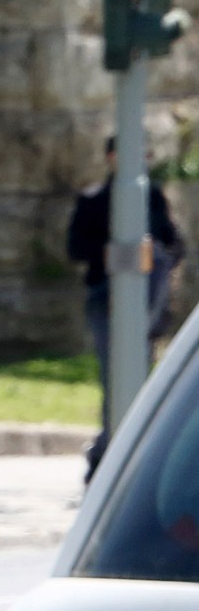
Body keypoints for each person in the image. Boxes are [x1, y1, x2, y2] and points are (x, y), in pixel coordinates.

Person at [66, 136, 186, 478]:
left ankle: (122, 455)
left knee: (142, 381)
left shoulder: (153, 197)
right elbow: (76, 248)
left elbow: (175, 245)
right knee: (115, 376)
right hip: (106, 299)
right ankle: (107, 458)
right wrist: (113, 255)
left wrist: (152, 259)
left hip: (148, 301)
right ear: (111, 157)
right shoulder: (94, 200)